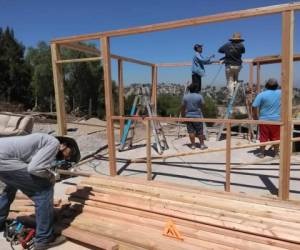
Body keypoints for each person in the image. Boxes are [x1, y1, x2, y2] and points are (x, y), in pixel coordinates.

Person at [0, 133, 80, 249]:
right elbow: (34, 169)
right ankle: (44, 239)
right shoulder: (54, 143)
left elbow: (30, 165)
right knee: (44, 190)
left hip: (4, 159)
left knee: (11, 186)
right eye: (70, 154)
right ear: (63, 145)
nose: (67, 158)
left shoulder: (41, 141)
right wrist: (50, 177)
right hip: (4, 161)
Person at [252, 78, 281, 158]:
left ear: (266, 85)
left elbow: (254, 106)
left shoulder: (262, 94)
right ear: (277, 85)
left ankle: (261, 153)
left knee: (263, 137)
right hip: (277, 120)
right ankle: (276, 153)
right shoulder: (281, 93)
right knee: (276, 137)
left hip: (264, 120)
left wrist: (255, 117)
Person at [218, 32, 245, 99]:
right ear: (239, 39)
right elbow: (243, 52)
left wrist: (227, 52)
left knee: (230, 81)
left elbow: (219, 50)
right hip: (238, 65)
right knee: (236, 79)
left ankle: (231, 95)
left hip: (229, 65)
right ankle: (235, 85)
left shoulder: (227, 45)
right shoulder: (241, 45)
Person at [181, 83, 207, 150]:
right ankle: (202, 145)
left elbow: (183, 107)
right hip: (198, 116)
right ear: (195, 89)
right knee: (200, 132)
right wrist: (202, 111)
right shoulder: (199, 96)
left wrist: (183, 115)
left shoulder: (185, 97)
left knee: (191, 132)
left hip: (188, 116)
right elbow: (203, 105)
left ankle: (193, 145)